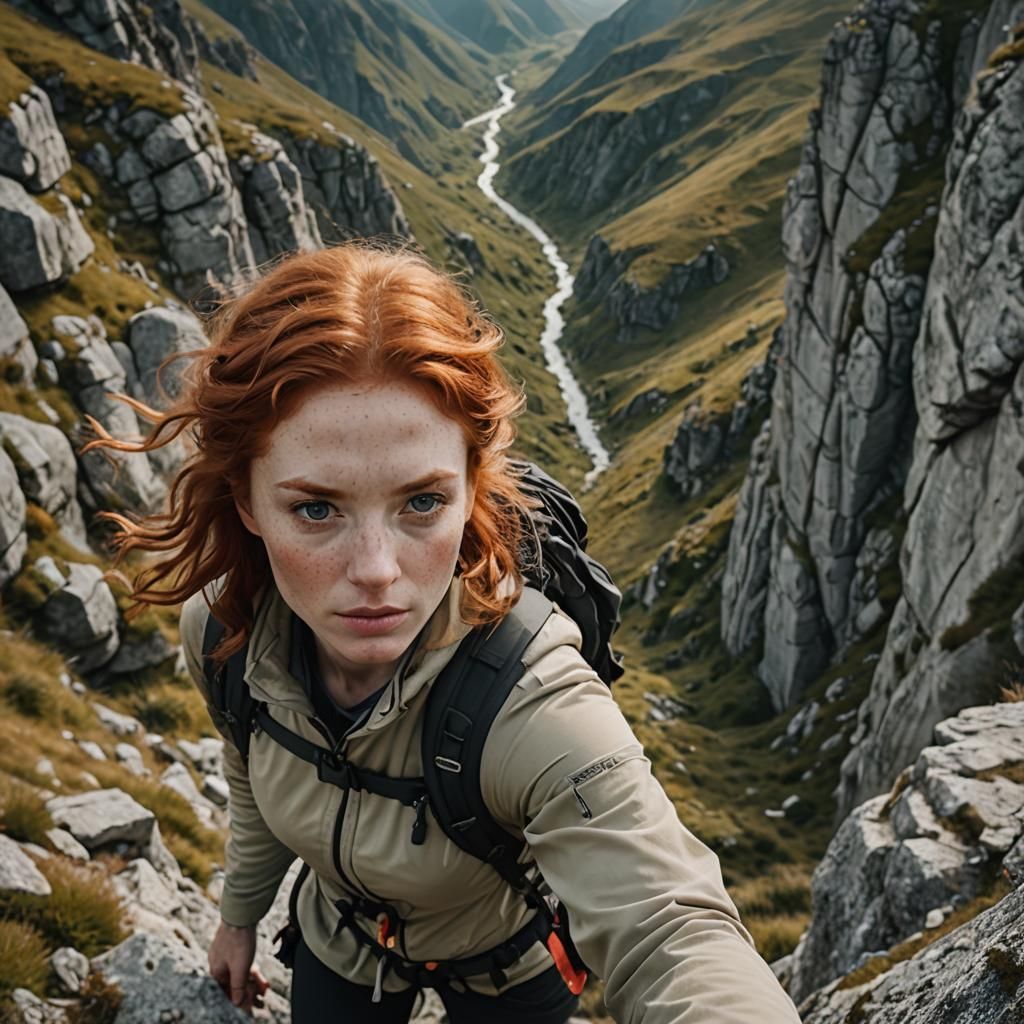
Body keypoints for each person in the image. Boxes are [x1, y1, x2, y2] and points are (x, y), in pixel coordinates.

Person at [84, 241, 802, 1023]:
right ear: (248, 503)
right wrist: (237, 919)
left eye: (422, 502)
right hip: (342, 940)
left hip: (507, 967)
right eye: (316, 508)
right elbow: (254, 773)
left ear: (471, 490)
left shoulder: (528, 698)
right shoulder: (225, 636)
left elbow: (670, 926)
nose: (378, 571)